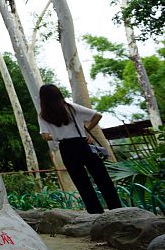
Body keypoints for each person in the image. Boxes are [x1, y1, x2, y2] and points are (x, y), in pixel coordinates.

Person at [37, 84, 122, 214]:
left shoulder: (43, 115)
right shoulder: (71, 108)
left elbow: (45, 136)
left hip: (66, 148)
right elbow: (97, 116)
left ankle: (95, 212)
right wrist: (86, 131)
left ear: (43, 98)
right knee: (102, 177)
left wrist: (58, 135)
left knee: (81, 182)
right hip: (82, 144)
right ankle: (116, 208)